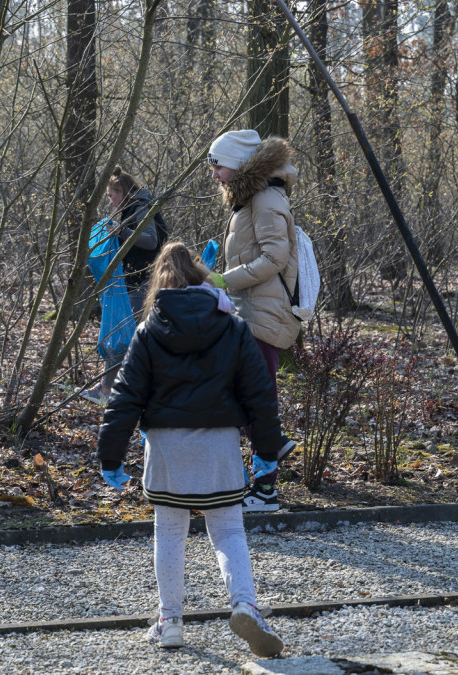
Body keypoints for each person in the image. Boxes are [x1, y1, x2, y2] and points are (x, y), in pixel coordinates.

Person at [96, 242, 285, 657]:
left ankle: (170, 622)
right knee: (229, 528)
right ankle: (244, 604)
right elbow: (258, 394)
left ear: (160, 284)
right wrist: (266, 449)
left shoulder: (148, 331)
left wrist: (110, 456)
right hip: (218, 442)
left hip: (165, 446)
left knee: (169, 531)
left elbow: (126, 397)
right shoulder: (232, 326)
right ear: (201, 277)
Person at [205, 129, 300, 513]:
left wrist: (227, 279)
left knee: (259, 400)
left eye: (218, 165)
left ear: (240, 164)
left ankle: (265, 492)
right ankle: (271, 444)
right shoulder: (250, 200)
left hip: (265, 313)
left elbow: (275, 258)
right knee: (243, 394)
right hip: (248, 310)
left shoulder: (265, 199)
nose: (213, 173)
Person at [81, 166, 166, 406]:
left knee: (121, 335)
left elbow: (150, 241)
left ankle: (108, 390)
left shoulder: (140, 208)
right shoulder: (134, 207)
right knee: (127, 335)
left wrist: (120, 230)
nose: (109, 201)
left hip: (143, 281)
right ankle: (116, 388)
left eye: (110, 195)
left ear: (122, 191)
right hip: (135, 280)